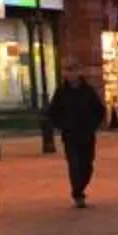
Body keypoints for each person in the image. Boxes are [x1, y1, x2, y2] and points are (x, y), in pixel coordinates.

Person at [46, 64, 106, 207]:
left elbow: (100, 110)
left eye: (73, 71)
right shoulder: (61, 92)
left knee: (87, 165)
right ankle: (78, 194)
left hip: (86, 134)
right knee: (74, 165)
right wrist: (62, 125)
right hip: (70, 135)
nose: (70, 75)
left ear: (79, 73)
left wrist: (93, 125)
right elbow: (53, 112)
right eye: (68, 72)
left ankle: (80, 188)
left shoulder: (88, 91)